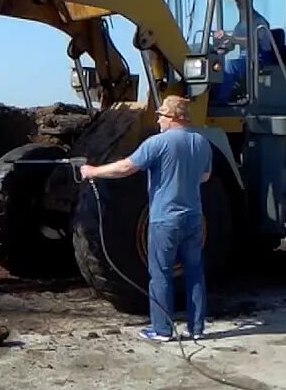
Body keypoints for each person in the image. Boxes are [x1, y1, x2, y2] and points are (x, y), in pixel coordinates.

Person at [79, 95, 213, 341]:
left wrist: (93, 171)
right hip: (194, 217)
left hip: (165, 220)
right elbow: (204, 177)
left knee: (161, 274)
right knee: (195, 273)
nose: (158, 119)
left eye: (161, 115)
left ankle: (162, 330)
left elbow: (126, 168)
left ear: (173, 117)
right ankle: (196, 329)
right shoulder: (202, 142)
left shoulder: (157, 143)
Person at [212, 3, 274, 104]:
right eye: (236, 0)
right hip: (245, 58)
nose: (237, 3)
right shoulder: (239, 25)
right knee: (216, 67)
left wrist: (229, 38)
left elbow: (253, 42)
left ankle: (221, 100)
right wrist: (217, 47)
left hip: (260, 57)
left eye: (240, 0)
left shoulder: (259, 21)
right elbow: (231, 45)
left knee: (231, 65)